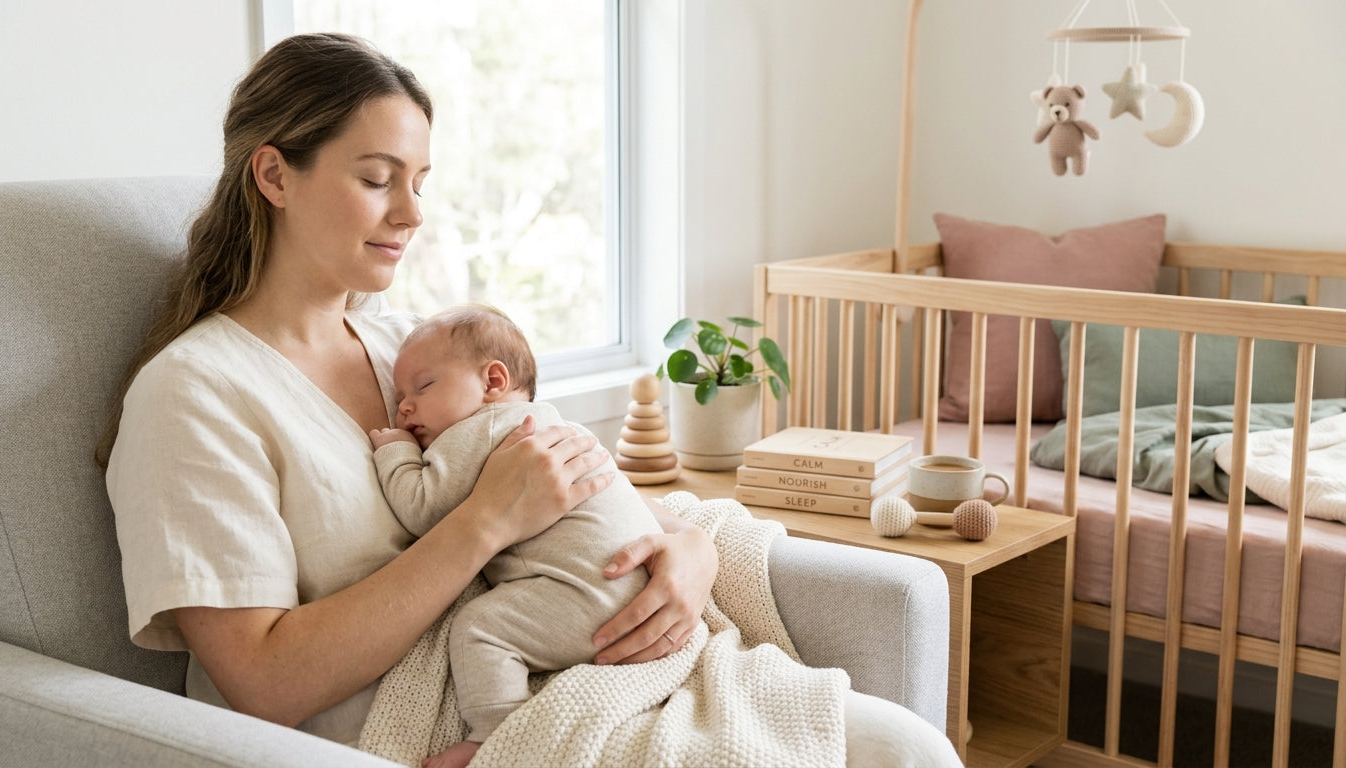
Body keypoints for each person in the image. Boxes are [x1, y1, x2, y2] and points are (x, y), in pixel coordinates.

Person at [99, 31, 960, 768]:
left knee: (905, 747)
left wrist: (688, 548)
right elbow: (262, 683)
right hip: (430, 720)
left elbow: (567, 503)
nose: (411, 213)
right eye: (376, 178)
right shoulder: (194, 395)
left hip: (559, 664)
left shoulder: (412, 354)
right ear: (275, 176)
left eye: (421, 182)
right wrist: (484, 525)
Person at [368, 304, 664, 768]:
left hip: (588, 596)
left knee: (481, 629)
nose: (404, 406)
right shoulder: (551, 420)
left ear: (493, 383)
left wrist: (396, 452)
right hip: (635, 586)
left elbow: (421, 510)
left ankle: (494, 735)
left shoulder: (478, 430)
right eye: (400, 394)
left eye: (422, 387)